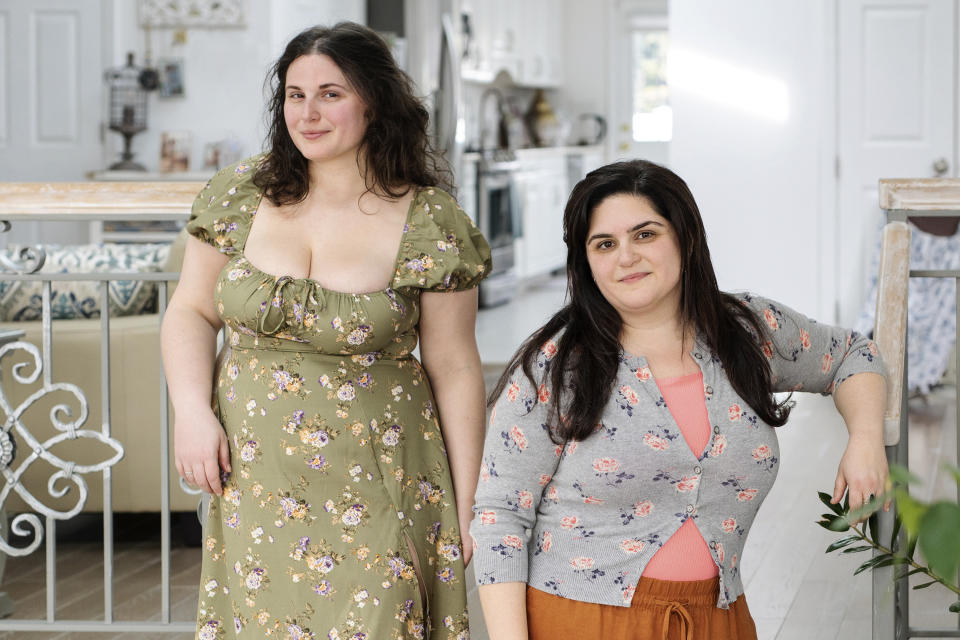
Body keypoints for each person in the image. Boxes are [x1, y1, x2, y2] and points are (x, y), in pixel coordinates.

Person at [161, 22, 490, 640]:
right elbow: (191, 311)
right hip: (258, 475)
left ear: (374, 101)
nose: (307, 114)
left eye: (330, 94)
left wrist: (469, 505)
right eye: (294, 94)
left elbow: (455, 367)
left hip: (382, 475)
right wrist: (190, 411)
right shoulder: (239, 194)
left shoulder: (430, 220)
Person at [470, 160, 888, 640]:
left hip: (718, 620)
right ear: (586, 262)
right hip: (580, 621)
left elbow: (854, 354)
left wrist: (866, 438)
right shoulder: (555, 365)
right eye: (604, 244)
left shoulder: (748, 331)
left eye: (645, 234)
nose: (625, 257)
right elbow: (501, 515)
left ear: (685, 238)